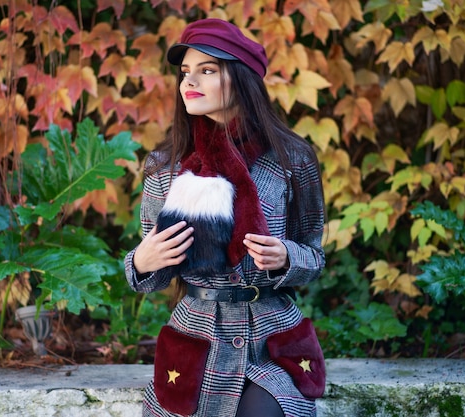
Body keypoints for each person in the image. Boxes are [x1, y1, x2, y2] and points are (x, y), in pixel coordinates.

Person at [124, 18, 326, 417]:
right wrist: (141, 263)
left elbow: (315, 256)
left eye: (207, 71)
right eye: (185, 73)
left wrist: (286, 257)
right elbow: (151, 271)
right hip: (198, 339)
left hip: (272, 342)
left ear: (242, 79)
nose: (189, 82)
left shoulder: (291, 159)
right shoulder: (165, 167)